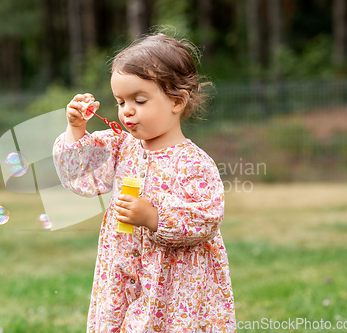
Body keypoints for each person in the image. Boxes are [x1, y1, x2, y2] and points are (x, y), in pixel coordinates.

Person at [53, 32, 235, 332]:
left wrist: (154, 216)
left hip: (172, 282)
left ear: (176, 101)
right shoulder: (121, 146)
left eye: (139, 100)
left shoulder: (193, 162)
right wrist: (76, 129)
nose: (126, 110)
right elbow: (81, 176)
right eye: (120, 101)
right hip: (122, 272)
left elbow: (206, 217)